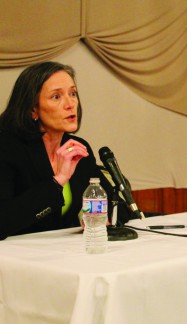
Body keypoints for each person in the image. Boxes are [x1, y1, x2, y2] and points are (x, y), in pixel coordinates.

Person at [0, 61, 126, 240]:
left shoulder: (76, 147)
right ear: (32, 108)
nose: (70, 104)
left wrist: (98, 217)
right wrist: (57, 182)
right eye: (56, 97)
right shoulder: (7, 147)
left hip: (62, 255)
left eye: (73, 93)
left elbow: (116, 206)